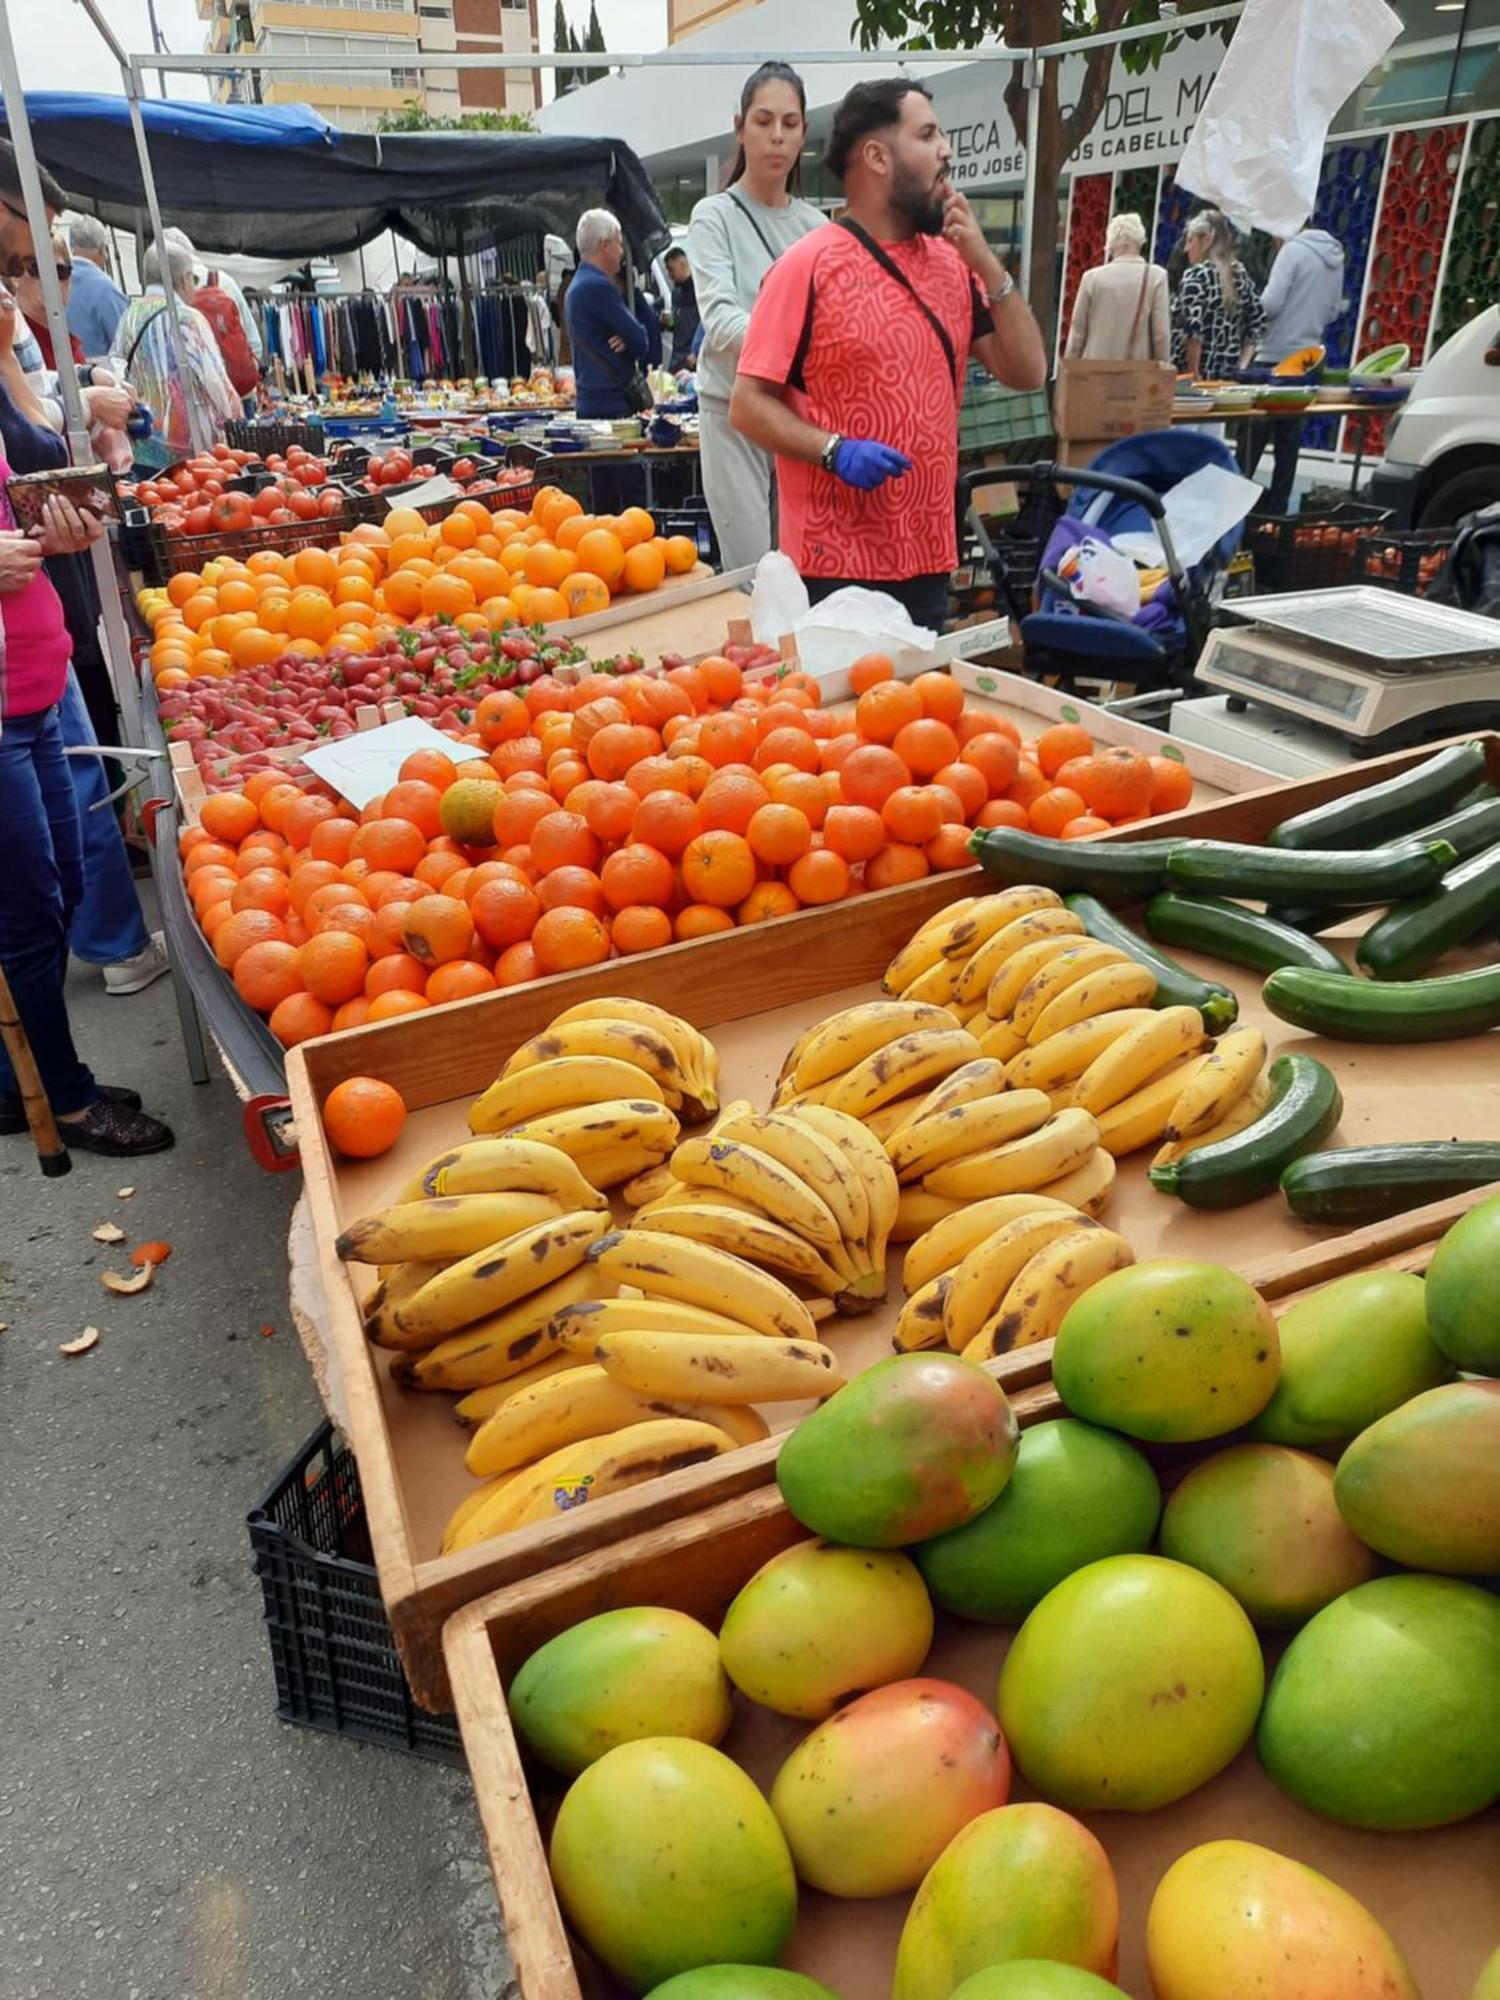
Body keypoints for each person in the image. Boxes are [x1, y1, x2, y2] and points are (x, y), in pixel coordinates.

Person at [730, 78, 1046, 629]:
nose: (945, 149)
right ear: (877, 156)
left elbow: (1027, 371)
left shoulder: (953, 264)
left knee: (915, 712)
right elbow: (748, 404)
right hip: (831, 567)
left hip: (925, 559)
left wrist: (987, 264)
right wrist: (834, 449)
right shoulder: (807, 267)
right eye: (926, 134)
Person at [0, 400, 174, 1154]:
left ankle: (16, 1077)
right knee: (29, 913)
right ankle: (64, 1097)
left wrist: (55, 525)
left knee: (64, 886)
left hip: (36, 688)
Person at [688, 62, 825, 572]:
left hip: (794, 420)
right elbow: (721, 322)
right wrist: (802, 352)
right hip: (732, 413)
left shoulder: (815, 227)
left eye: (790, 124)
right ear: (740, 127)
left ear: (803, 133)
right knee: (751, 577)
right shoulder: (713, 216)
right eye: (764, 121)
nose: (777, 137)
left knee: (799, 573)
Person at [1240, 223, 1347, 517]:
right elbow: (1333, 311)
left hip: (1274, 355)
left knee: (1252, 439)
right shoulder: (1335, 257)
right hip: (1307, 358)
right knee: (1288, 443)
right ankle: (1277, 516)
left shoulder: (1292, 251)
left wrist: (1250, 304)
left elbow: (1270, 305)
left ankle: (1235, 511)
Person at [109, 238, 240, 471]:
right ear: (184, 279)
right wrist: (233, 425)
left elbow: (115, 373)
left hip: (140, 449)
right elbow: (216, 386)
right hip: (188, 456)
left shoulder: (128, 316)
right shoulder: (187, 319)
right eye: (194, 279)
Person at [563, 209, 651, 419]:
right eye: (618, 243)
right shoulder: (597, 286)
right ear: (605, 245)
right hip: (610, 407)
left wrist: (627, 337)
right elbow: (640, 341)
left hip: (591, 401)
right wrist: (629, 337)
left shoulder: (576, 285)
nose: (621, 252)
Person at [1172, 207, 1265, 381]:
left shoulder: (1195, 276)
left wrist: (1194, 374)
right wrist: (1243, 365)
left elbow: (1193, 330)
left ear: (1206, 239)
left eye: (1190, 241)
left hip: (1196, 380)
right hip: (1229, 379)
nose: (1186, 249)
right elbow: (1258, 321)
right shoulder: (1240, 274)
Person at [1065, 211, 1170, 362]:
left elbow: (1077, 332)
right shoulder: (1156, 277)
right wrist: (1163, 368)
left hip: (1094, 373)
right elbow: (1161, 335)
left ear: (1110, 244)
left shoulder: (1091, 278)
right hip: (1136, 374)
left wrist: (1071, 366)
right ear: (1140, 242)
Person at [192, 264, 263, 413]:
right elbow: (255, 343)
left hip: (204, 400)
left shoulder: (176, 293)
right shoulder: (225, 282)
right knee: (246, 435)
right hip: (241, 392)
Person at [63, 213, 127, 359]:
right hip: (100, 373)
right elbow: (125, 341)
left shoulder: (56, 280)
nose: (105, 257)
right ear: (100, 250)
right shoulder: (106, 288)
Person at [663, 246, 700, 370]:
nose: (669, 275)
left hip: (693, 357)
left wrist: (697, 352)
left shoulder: (700, 291)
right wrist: (667, 322)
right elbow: (678, 324)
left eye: (671, 269)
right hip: (677, 357)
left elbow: (708, 324)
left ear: (682, 264)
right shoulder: (676, 293)